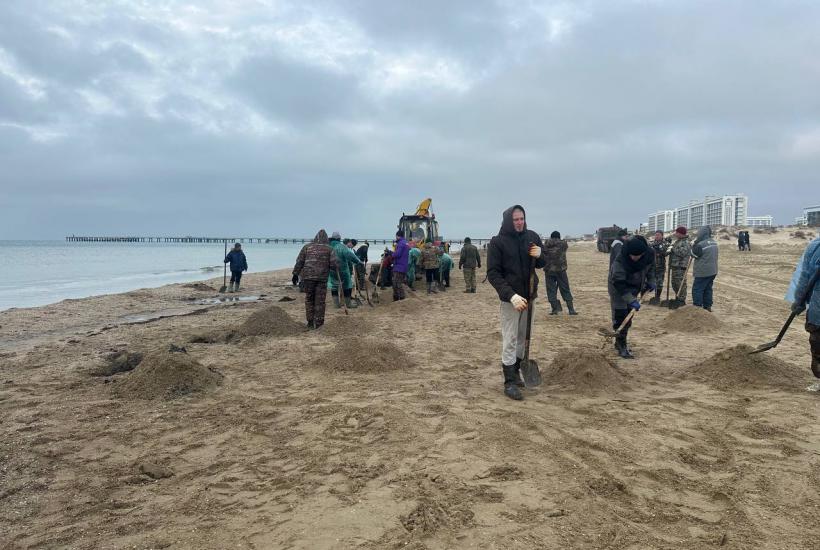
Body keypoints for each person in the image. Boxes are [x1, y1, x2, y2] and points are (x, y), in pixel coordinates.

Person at [487, 205, 546, 401]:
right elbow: (493, 274)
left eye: (522, 219)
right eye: (515, 220)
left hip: (530, 296)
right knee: (510, 338)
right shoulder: (498, 243)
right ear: (508, 221)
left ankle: (518, 372)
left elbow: (542, 264)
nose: (519, 222)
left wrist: (540, 255)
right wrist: (511, 295)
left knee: (524, 337)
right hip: (511, 300)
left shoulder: (532, 237)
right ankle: (509, 381)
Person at [609, 236, 655, 359]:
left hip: (635, 286)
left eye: (637, 256)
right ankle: (621, 344)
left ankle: (621, 341)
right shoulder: (620, 260)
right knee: (620, 316)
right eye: (632, 255)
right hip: (618, 288)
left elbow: (651, 269)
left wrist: (651, 280)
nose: (634, 258)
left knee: (629, 317)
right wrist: (631, 300)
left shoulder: (649, 255)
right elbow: (619, 284)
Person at [292, 229, 337, 329]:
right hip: (322, 278)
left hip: (308, 277)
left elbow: (300, 261)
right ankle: (319, 323)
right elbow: (334, 265)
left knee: (309, 299)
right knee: (320, 301)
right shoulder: (330, 249)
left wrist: (295, 274)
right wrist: (336, 269)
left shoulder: (307, 247)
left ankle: (310, 322)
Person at [790, 235, 820, 378]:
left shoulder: (815, 246)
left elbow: (805, 277)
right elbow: (805, 277)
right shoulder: (815, 246)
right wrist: (799, 301)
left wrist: (799, 301)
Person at [543, 231, 577, 315]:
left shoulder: (546, 244)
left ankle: (555, 309)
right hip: (561, 270)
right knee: (565, 289)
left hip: (549, 270)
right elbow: (566, 245)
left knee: (551, 290)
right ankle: (571, 310)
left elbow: (543, 252)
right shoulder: (563, 244)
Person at [328, 231, 364, 309]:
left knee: (334, 286)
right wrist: (358, 261)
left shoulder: (328, 246)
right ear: (339, 239)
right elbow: (350, 255)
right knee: (347, 285)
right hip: (342, 270)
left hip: (331, 270)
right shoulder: (341, 247)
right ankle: (348, 304)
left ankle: (336, 305)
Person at [691, 226, 719, 312]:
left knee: (697, 289)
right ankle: (707, 306)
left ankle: (697, 307)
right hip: (713, 271)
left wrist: (695, 245)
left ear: (701, 234)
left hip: (702, 272)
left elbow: (693, 254)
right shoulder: (714, 242)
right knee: (708, 289)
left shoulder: (701, 244)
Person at [669, 226, 691, 308]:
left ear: (681, 233)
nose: (675, 234)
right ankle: (677, 298)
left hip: (681, 267)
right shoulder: (678, 241)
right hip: (675, 266)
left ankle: (681, 300)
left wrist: (673, 248)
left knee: (681, 284)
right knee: (674, 284)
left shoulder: (686, 242)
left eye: (677, 232)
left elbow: (682, 253)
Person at [648, 230, 669, 305]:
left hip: (660, 266)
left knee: (659, 282)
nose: (657, 236)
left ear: (662, 236)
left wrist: (660, 251)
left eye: (658, 235)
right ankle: (644, 295)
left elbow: (666, 253)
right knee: (650, 281)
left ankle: (657, 297)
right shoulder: (652, 243)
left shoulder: (665, 243)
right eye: (656, 235)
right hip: (652, 266)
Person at [392, 231, 410, 301]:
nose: (395, 238)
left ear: (398, 236)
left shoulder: (400, 243)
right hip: (403, 266)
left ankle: (400, 298)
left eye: (396, 236)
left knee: (396, 283)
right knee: (398, 282)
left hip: (399, 266)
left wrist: (391, 254)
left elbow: (398, 254)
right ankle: (398, 298)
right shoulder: (405, 243)